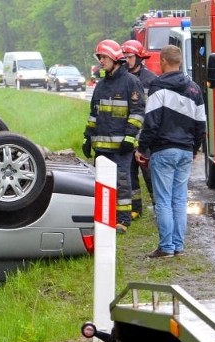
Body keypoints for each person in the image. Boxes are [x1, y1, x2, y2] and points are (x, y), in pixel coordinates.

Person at [135, 45, 206, 258]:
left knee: (164, 200)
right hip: (185, 151)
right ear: (180, 62)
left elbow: (151, 122)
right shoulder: (194, 89)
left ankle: (166, 247)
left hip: (163, 150)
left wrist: (142, 148)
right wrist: (194, 149)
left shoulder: (158, 86)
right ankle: (178, 245)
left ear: (164, 61)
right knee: (179, 199)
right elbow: (201, 125)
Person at [82, 39, 146, 234]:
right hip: (101, 146)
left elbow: (137, 113)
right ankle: (105, 218)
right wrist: (87, 136)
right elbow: (94, 114)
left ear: (115, 58)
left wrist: (129, 137)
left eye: (104, 57)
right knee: (102, 184)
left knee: (122, 183)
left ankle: (123, 220)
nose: (101, 61)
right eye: (100, 58)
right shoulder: (101, 85)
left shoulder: (131, 82)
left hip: (121, 148)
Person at [122, 39, 158, 220]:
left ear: (139, 57)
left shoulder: (152, 80)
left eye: (130, 57)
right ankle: (135, 209)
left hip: (146, 136)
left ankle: (159, 206)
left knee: (150, 175)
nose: (127, 60)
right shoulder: (122, 79)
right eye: (125, 57)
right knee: (130, 175)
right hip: (128, 134)